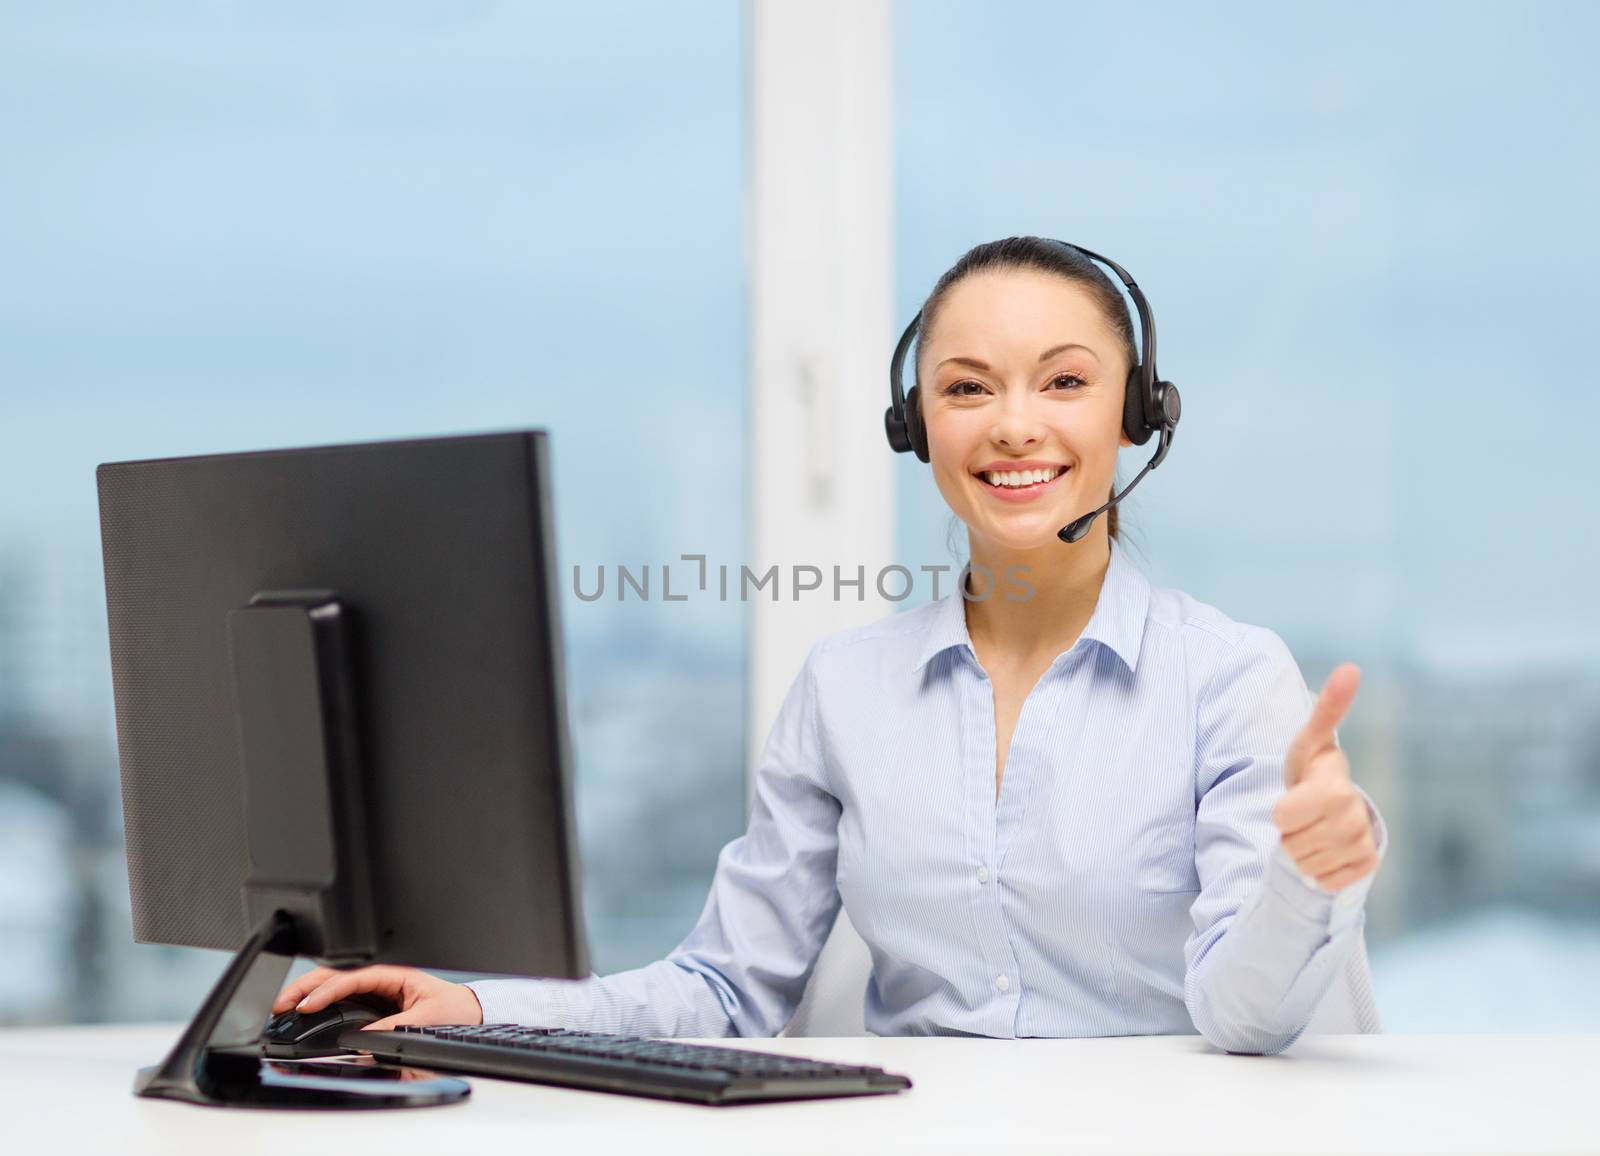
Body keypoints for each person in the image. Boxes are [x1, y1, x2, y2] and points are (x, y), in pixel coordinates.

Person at [273, 236, 1387, 1055]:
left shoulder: (1230, 678)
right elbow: (722, 989)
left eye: (1064, 381)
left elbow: (1244, 1017)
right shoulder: (846, 688)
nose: (1012, 424)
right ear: (917, 429)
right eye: (965, 388)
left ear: (1136, 413)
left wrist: (1306, 876)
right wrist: (476, 1004)